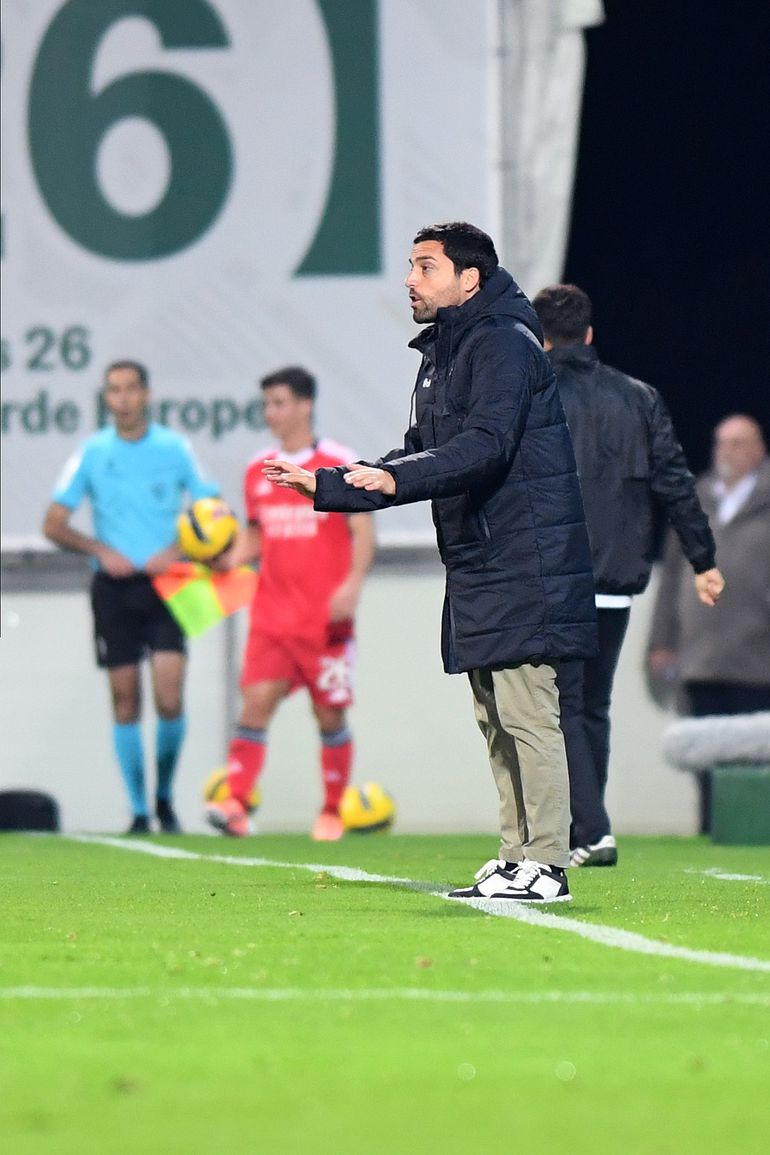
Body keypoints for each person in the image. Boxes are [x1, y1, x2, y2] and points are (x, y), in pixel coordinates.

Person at [263, 222, 597, 903]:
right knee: (494, 715)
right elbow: (417, 450)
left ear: (468, 279)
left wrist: (393, 480)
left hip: (522, 555)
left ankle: (549, 863)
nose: (410, 280)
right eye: (411, 266)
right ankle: (515, 856)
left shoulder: (503, 342)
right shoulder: (447, 351)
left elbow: (488, 445)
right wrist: (330, 483)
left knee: (530, 714)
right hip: (479, 557)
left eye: (425, 267)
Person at [531, 284, 724, 866]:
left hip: (554, 574)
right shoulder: (639, 397)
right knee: (592, 706)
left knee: (561, 708)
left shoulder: (532, 394)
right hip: (616, 576)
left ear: (541, 338)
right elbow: (675, 481)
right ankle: (587, 829)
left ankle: (590, 831)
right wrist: (704, 560)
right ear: (590, 335)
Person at [43, 360, 220, 834]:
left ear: (146, 394)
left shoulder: (175, 448)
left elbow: (215, 511)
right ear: (106, 398)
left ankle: (164, 797)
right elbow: (53, 523)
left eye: (129, 389)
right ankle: (139, 809)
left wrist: (179, 549)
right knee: (125, 700)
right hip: (113, 589)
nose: (121, 398)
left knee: (169, 695)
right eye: (113, 390)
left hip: (172, 582)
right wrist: (99, 548)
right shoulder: (91, 453)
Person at [205, 367, 376, 842]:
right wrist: (225, 559)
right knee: (255, 705)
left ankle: (331, 812)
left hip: (324, 619)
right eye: (266, 405)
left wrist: (353, 585)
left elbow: (362, 529)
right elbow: (256, 535)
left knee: (329, 715)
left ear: (305, 404)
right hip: (272, 616)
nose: (271, 414)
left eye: (279, 403)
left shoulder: (338, 462)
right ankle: (235, 804)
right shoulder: (257, 469)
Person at [647, 414, 769, 831]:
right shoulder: (697, 498)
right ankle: (710, 828)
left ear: (759, 448)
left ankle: (753, 831)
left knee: (754, 758)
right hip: (701, 656)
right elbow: (671, 581)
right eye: (721, 443)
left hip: (757, 659)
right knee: (705, 755)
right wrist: (660, 641)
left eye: (738, 443)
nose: (727, 452)